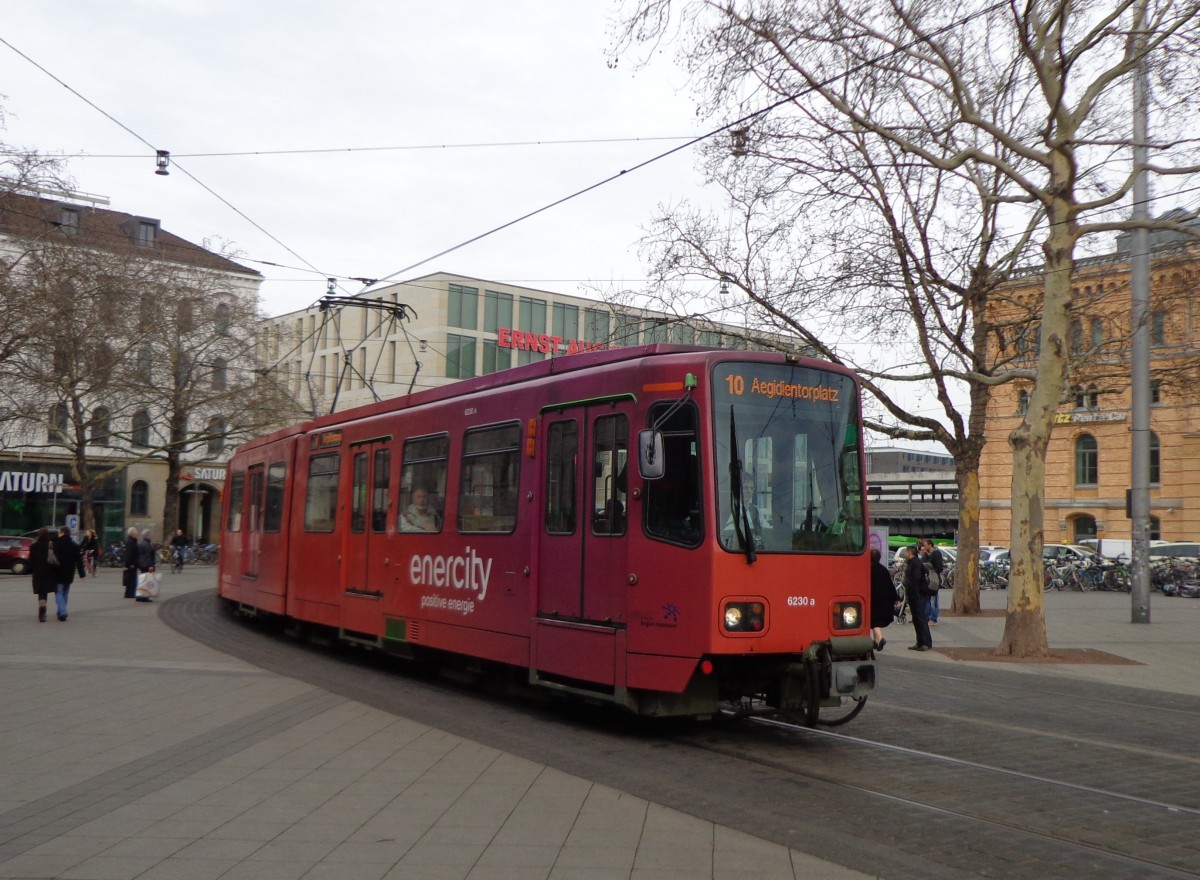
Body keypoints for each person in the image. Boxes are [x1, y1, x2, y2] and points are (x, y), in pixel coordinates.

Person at [52, 526, 86, 621]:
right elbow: (79, 561)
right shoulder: (74, 545)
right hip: (69, 572)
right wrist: (82, 574)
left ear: (62, 532)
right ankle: (60, 611)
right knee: (65, 592)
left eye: (59, 532)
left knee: (58, 592)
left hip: (58, 571)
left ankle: (62, 611)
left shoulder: (56, 544)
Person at [903, 544, 933, 651]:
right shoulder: (912, 563)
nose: (906, 555)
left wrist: (914, 592)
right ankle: (919, 642)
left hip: (917, 595)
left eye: (907, 552)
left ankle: (926, 642)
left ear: (910, 553)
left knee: (920, 619)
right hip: (913, 595)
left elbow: (915, 579)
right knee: (916, 619)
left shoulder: (915, 563)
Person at [869, 547, 896, 651]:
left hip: (874, 599)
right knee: (877, 620)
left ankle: (880, 639)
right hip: (884, 599)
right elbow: (890, 584)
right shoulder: (883, 569)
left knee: (873, 621)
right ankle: (875, 643)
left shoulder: (869, 569)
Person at [29, 528, 56, 622]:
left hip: (38, 572)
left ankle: (41, 610)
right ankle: (43, 611)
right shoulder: (51, 545)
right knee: (44, 592)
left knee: (41, 592)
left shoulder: (33, 546)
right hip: (49, 571)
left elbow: (31, 561)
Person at [922, 538, 945, 625]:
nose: (924, 547)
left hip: (934, 580)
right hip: (927, 580)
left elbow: (939, 567)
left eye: (925, 545)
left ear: (930, 545)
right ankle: (927, 617)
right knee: (927, 599)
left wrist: (931, 570)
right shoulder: (926, 555)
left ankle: (933, 618)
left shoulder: (936, 554)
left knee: (933, 599)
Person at [135, 530, 157, 602]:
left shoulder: (141, 543)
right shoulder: (147, 544)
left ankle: (139, 595)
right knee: (147, 581)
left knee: (142, 581)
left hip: (142, 564)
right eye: (151, 534)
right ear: (148, 535)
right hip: (147, 565)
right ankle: (144, 596)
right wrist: (151, 566)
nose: (152, 536)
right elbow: (148, 556)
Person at [122, 527, 140, 599]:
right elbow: (129, 553)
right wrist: (131, 563)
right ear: (132, 533)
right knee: (131, 579)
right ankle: (130, 593)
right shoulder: (131, 542)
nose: (137, 533)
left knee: (132, 578)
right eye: (136, 531)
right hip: (132, 563)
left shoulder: (133, 541)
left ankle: (130, 593)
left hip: (133, 562)